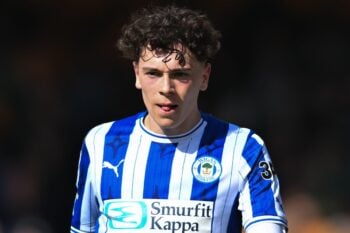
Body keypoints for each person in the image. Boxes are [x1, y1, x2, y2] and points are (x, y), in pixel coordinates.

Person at [70, 4, 288, 233]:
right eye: (153, 73)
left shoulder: (242, 147)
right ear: (136, 74)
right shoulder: (100, 141)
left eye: (180, 74)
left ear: (204, 77)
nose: (166, 88)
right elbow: (83, 228)